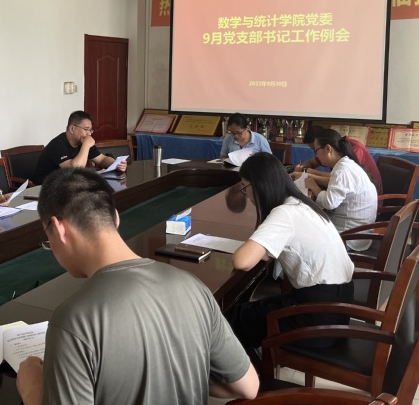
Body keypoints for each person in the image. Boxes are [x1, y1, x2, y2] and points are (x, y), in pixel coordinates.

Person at [16, 168, 259, 405]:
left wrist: (32, 388)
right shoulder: (194, 286)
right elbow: (247, 386)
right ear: (116, 218)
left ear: (59, 229)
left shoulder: (73, 320)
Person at [227, 153, 355, 352]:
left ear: (259, 185)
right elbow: (267, 252)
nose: (246, 194)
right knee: (248, 311)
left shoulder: (285, 213)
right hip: (336, 306)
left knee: (233, 319)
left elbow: (242, 261)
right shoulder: (300, 203)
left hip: (317, 319)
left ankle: (244, 370)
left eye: (245, 187)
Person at [301, 129, 378, 250]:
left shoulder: (343, 170)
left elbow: (329, 203)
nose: (316, 156)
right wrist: (310, 177)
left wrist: (313, 186)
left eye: (316, 151)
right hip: (358, 230)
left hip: (350, 236)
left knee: (301, 234)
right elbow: (334, 183)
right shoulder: (345, 164)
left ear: (328, 149)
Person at [30, 111, 128, 184]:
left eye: (90, 130)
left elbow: (102, 159)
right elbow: (74, 170)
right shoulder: (58, 144)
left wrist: (116, 164)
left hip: (67, 184)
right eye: (86, 129)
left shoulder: (83, 141)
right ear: (72, 128)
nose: (89, 134)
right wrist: (86, 145)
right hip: (45, 188)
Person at [294, 124, 383, 193]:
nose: (316, 154)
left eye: (316, 150)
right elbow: (311, 163)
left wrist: (309, 175)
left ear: (327, 147)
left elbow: (338, 181)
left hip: (368, 200)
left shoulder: (354, 151)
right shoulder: (334, 151)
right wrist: (302, 168)